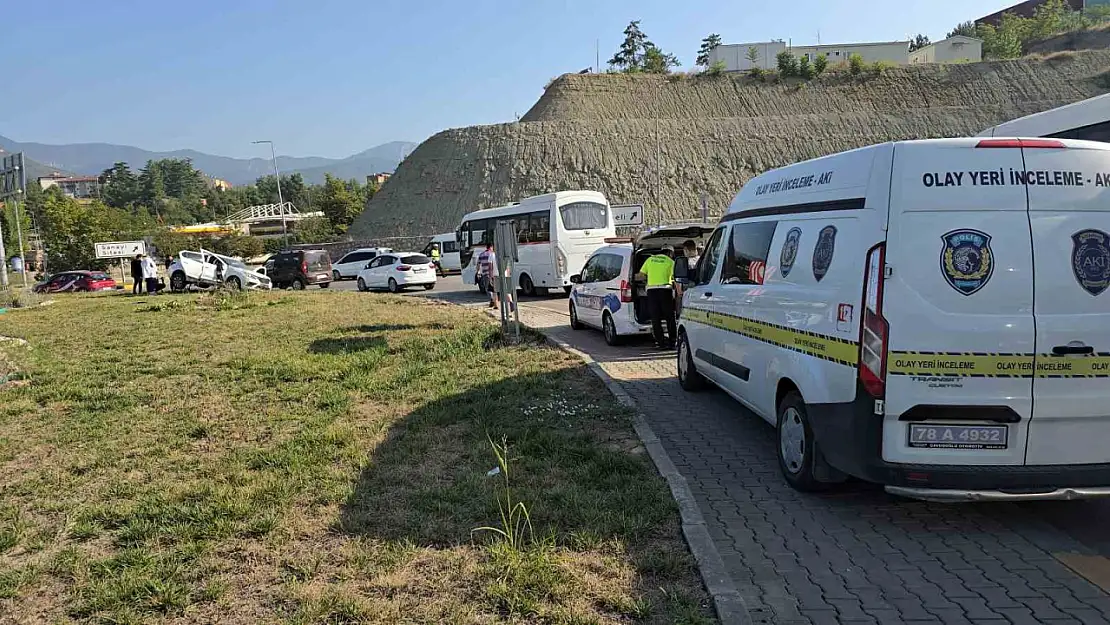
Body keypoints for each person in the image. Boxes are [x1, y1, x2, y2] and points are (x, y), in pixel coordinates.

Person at [643, 244, 677, 349]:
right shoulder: (671, 262)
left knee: (655, 318)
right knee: (669, 317)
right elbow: (675, 278)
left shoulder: (650, 259)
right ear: (670, 253)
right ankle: (672, 342)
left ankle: (660, 343)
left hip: (652, 291)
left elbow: (641, 275)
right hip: (665, 290)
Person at [477, 244, 495, 308]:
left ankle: (492, 300)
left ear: (486, 247)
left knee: (488, 288)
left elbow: (478, 264)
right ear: (491, 247)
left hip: (485, 274)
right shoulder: (493, 254)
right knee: (495, 288)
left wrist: (478, 272)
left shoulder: (481, 254)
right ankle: (495, 302)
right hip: (494, 273)